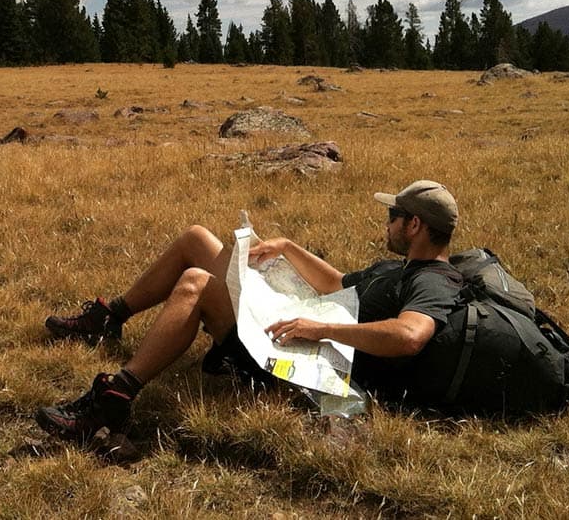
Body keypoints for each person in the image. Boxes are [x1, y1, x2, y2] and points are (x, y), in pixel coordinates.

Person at [36, 180, 464, 440]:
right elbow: (338, 286)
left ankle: (116, 398)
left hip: (303, 361)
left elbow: (410, 337)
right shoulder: (400, 266)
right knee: (197, 239)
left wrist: (318, 329)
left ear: (414, 226)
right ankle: (107, 319)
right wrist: (287, 248)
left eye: (394, 214)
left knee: (196, 284)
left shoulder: (432, 281)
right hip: (300, 324)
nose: (387, 221)